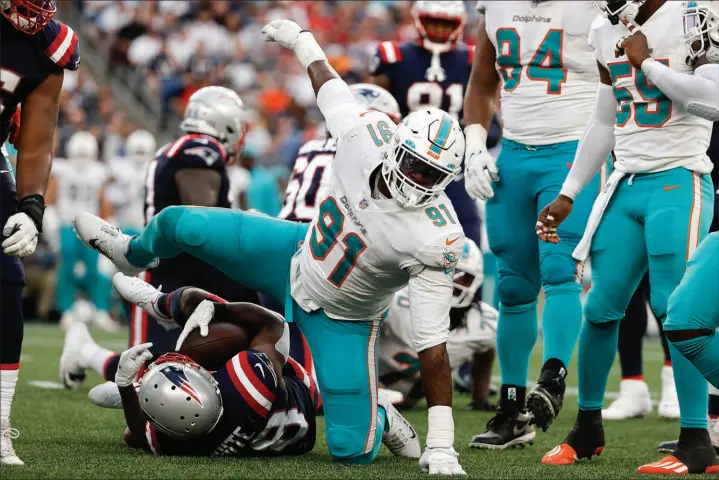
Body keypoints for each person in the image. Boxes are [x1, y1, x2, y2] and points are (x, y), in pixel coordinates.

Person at [74, 18, 468, 474]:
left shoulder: (436, 236)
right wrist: (303, 41)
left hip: (346, 317)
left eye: (433, 177)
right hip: (293, 253)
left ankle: (379, 416)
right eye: (415, 166)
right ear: (396, 146)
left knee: (350, 451)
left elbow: (433, 347)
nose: (419, 182)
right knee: (182, 224)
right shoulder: (364, 135)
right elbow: (328, 84)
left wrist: (442, 443)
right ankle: (132, 251)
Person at [535, 0, 719, 473]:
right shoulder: (603, 28)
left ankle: (697, 437)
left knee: (679, 312)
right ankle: (588, 427)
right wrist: (569, 191)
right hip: (627, 181)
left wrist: (650, 64)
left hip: (680, 178)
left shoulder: (697, 12)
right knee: (599, 309)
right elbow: (604, 119)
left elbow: (714, 101)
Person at [462, 0, 606, 448]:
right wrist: (473, 144)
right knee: (512, 287)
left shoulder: (597, 7)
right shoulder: (496, 7)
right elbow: (483, 83)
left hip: (572, 154)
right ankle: (511, 411)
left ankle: (554, 378)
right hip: (515, 155)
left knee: (560, 270)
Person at [60, 87, 259, 391]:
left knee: (192, 377)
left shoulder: (178, 148)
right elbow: (201, 224)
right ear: (224, 122)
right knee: (154, 382)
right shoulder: (201, 151)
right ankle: (86, 351)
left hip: (184, 273)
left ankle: (86, 351)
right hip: (170, 279)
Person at [106, 274, 320, 457]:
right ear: (209, 385)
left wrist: (125, 386)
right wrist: (217, 310)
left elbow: (135, 434)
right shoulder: (248, 374)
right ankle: (163, 304)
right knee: (214, 324)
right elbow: (274, 324)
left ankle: (139, 390)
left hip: (293, 438)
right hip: (302, 394)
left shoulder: (184, 441)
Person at [277, 82, 401, 383]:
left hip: (282, 240)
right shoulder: (361, 155)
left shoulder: (309, 147)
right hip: (318, 247)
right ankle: (355, 380)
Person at [0, 0, 80, 465]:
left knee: (8, 281)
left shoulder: (46, 49)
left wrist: (30, 207)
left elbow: (37, 138)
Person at [369, 0, 487, 254]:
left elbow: (490, 122)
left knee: (467, 241)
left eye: (446, 24)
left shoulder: (471, 59)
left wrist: (470, 141)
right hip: (402, 165)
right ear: (420, 20)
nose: (439, 30)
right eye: (433, 22)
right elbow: (375, 112)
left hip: (451, 171)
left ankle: (469, 292)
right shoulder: (394, 57)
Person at [380, 238, 498, 412]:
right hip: (363, 389)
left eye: (462, 276)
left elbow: (486, 350)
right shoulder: (398, 302)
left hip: (405, 403)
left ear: (475, 280)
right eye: (447, 272)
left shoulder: (482, 324)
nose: (452, 282)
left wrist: (479, 398)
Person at [47, 131, 115, 331]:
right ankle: (67, 311)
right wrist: (51, 223)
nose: (82, 160)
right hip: (68, 225)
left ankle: (100, 311)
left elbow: (104, 201)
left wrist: (108, 226)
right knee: (66, 269)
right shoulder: (63, 170)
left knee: (97, 270)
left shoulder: (98, 172)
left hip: (91, 227)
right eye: (80, 155)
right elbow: (51, 198)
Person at [107, 129, 157, 237]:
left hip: (146, 225)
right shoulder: (120, 167)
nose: (140, 156)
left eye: (142, 152)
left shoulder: (155, 169)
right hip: (124, 223)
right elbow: (111, 196)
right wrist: (125, 195)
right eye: (138, 152)